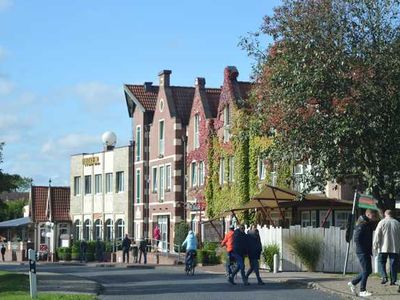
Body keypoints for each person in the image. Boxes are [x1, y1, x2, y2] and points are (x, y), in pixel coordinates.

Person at [348, 209, 377, 297]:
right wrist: (363, 248)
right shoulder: (362, 224)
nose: (374, 217)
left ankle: (353, 283)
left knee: (368, 271)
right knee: (366, 270)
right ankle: (362, 290)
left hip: (366, 251)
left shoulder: (367, 223)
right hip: (362, 251)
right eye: (373, 215)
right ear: (368, 214)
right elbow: (357, 238)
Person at [373, 209, 400, 286]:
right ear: (392, 214)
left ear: (385, 214)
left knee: (381, 262)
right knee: (393, 264)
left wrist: (375, 245)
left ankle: (384, 276)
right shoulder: (397, 223)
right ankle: (393, 280)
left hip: (383, 247)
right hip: (395, 247)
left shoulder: (382, 222)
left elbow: (377, 234)